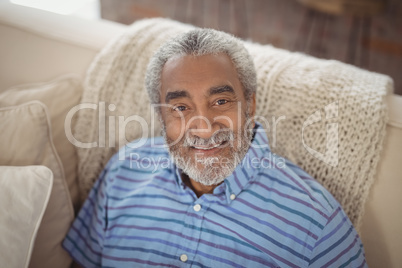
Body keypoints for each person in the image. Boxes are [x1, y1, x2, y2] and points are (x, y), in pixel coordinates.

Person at [63, 29, 367, 268]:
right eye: (180, 107)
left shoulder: (317, 223)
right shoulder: (123, 172)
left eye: (221, 101)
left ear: (250, 104)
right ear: (160, 117)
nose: (204, 128)